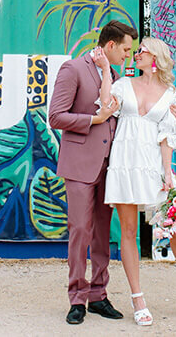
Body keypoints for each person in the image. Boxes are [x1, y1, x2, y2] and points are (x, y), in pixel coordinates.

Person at [101, 37, 176, 326]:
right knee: (128, 231)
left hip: (152, 166)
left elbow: (166, 137)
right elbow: (106, 107)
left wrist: (168, 173)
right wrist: (103, 71)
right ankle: (137, 298)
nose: (136, 54)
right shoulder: (123, 85)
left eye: (142, 52)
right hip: (124, 162)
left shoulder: (170, 96)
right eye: (136, 51)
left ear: (155, 59)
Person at [48, 20, 137, 325]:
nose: (127, 56)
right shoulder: (72, 69)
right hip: (79, 165)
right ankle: (77, 298)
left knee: (102, 233)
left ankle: (99, 295)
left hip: (109, 166)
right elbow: (56, 117)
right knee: (80, 231)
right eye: (125, 50)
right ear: (110, 45)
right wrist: (95, 119)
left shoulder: (113, 75)